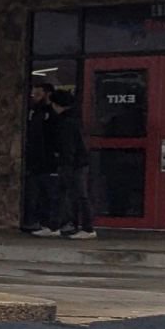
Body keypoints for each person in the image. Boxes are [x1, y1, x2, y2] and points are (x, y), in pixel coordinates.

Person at [50, 87, 96, 239]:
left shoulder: (65, 122)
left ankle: (87, 228)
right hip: (77, 163)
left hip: (72, 164)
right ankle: (59, 225)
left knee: (77, 195)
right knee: (68, 194)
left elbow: (68, 147)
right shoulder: (74, 119)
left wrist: (65, 164)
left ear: (57, 104)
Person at [22, 80, 58, 235]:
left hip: (48, 160)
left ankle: (48, 223)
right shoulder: (33, 112)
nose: (34, 97)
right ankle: (33, 221)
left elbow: (51, 138)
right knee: (33, 193)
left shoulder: (51, 114)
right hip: (35, 159)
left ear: (47, 94)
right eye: (33, 94)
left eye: (38, 94)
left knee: (47, 193)